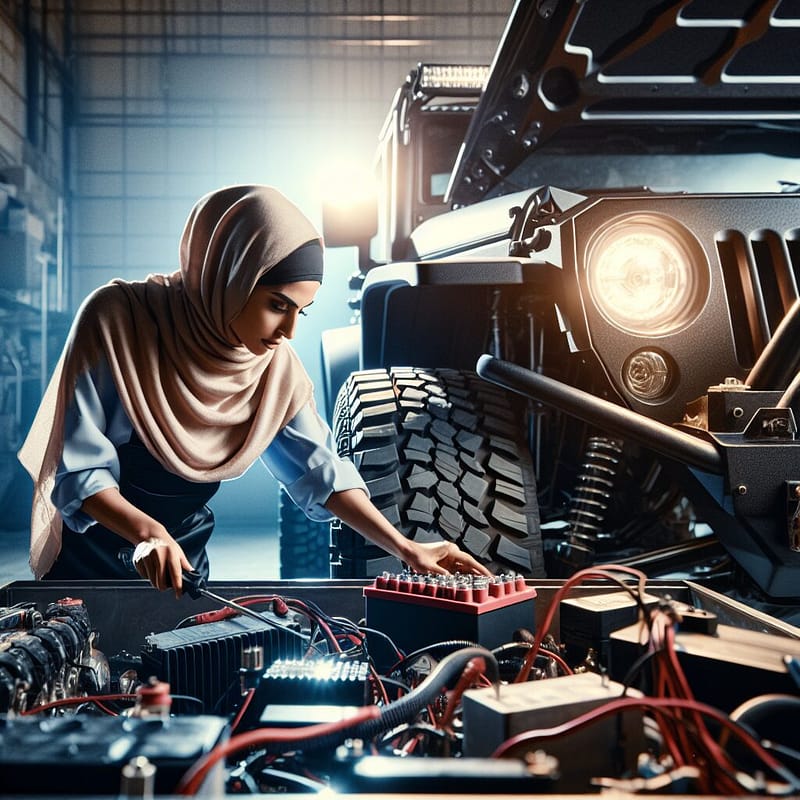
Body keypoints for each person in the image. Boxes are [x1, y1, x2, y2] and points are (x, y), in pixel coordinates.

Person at [18, 185, 491, 596]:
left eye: (300, 311)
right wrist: (146, 532)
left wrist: (406, 548)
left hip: (182, 560)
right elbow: (78, 469)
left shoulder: (271, 366)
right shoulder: (116, 320)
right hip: (93, 555)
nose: (287, 330)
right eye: (276, 304)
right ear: (231, 274)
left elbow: (320, 473)